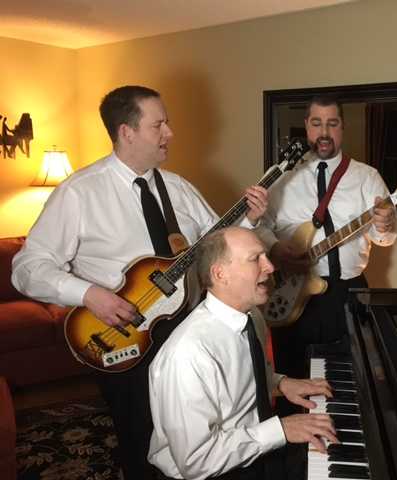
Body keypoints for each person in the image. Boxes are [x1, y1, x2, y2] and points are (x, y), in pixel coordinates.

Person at [11, 85, 269, 479]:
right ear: (127, 132)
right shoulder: (79, 193)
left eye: (168, 123)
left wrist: (249, 220)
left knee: (202, 430)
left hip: (187, 331)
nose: (170, 133)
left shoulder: (179, 188)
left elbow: (218, 246)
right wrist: (90, 295)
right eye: (158, 125)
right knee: (141, 439)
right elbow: (27, 267)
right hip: (123, 337)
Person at [148, 227, 337, 480]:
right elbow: (195, 461)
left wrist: (280, 383)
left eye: (265, 256)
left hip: (251, 450)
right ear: (220, 274)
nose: (270, 267)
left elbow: (237, 381)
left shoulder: (251, 316)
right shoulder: (187, 355)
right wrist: (281, 430)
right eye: (255, 259)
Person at [258, 95, 397, 381]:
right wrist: (275, 248)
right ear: (306, 126)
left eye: (332, 124)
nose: (324, 132)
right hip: (290, 292)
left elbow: (385, 239)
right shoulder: (280, 175)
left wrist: (385, 225)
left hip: (348, 293)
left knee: (351, 376)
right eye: (317, 123)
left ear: (342, 127)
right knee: (293, 375)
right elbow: (259, 226)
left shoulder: (367, 177)